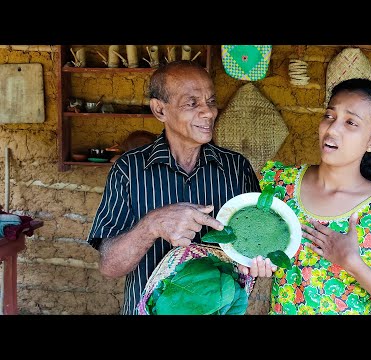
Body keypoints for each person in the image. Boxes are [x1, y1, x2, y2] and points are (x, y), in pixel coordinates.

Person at [87, 60, 261, 315]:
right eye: (192, 103)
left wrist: (259, 263)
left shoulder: (237, 168)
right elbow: (109, 266)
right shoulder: (129, 170)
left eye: (211, 101)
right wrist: (152, 225)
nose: (209, 112)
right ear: (160, 110)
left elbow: (256, 249)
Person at [248, 78, 371, 315]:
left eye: (351, 122)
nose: (332, 129)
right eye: (329, 116)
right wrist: (253, 261)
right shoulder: (277, 184)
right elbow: (249, 241)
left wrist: (353, 264)